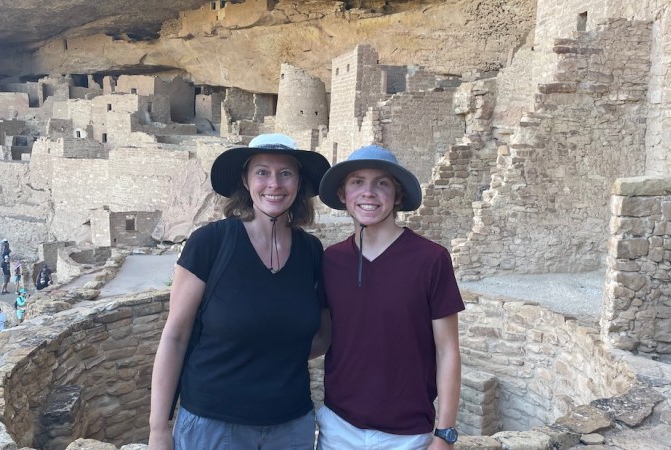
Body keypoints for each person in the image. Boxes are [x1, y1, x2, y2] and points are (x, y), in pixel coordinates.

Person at [148, 133, 330, 450]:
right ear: (246, 181)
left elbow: (322, 335)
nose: (274, 184)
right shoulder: (211, 243)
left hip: (289, 423)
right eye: (262, 172)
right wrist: (158, 428)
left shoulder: (311, 252)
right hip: (215, 422)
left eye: (286, 173)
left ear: (299, 183)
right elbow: (175, 336)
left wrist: (272, 350)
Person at [315, 145, 464, 450]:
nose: (368, 193)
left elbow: (447, 350)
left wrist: (445, 433)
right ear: (343, 194)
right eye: (357, 182)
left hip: (407, 434)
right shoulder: (332, 260)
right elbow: (324, 336)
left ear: (397, 196)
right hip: (339, 426)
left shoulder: (430, 259)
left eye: (381, 183)